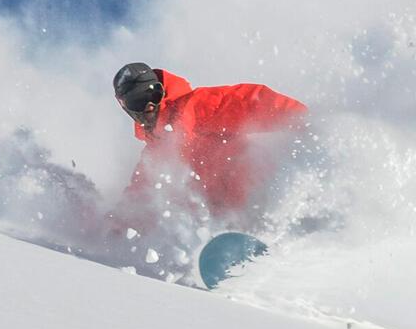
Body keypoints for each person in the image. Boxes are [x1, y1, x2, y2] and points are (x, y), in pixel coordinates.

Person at [108, 62, 307, 234]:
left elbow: (249, 101)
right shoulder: (156, 149)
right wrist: (119, 224)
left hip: (254, 194)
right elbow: (141, 191)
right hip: (220, 215)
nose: (150, 104)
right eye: (138, 101)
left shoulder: (195, 107)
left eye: (154, 92)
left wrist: (301, 118)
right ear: (127, 108)